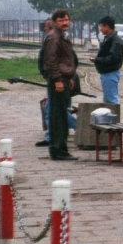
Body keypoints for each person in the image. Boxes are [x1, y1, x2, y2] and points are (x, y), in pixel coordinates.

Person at [42, 9, 79, 160]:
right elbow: (51, 60)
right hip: (58, 81)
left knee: (61, 116)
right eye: (61, 21)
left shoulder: (61, 37)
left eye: (66, 20)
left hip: (64, 79)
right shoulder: (54, 38)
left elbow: (65, 60)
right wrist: (57, 80)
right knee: (58, 117)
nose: (65, 23)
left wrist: (69, 77)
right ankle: (58, 150)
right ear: (55, 22)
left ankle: (60, 149)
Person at [93, 15, 123, 105]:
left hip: (110, 73)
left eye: (101, 26)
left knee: (111, 101)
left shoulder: (115, 40)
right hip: (107, 73)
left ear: (107, 26)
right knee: (108, 100)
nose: (100, 29)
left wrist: (98, 60)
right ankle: (110, 118)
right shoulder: (109, 38)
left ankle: (114, 118)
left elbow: (114, 58)